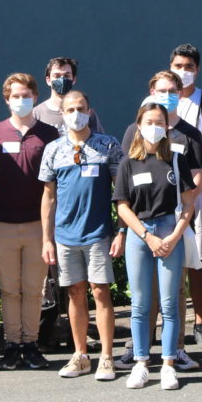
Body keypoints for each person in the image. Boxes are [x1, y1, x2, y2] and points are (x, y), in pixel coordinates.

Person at [116, 71, 202, 371]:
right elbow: (123, 204)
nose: (154, 127)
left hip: (172, 231)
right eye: (149, 123)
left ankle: (171, 358)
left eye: (160, 124)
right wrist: (145, 235)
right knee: (141, 305)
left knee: (171, 303)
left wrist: (175, 233)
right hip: (141, 236)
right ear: (139, 126)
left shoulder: (180, 152)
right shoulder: (129, 158)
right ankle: (141, 361)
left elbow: (191, 193)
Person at [40, 89, 126, 381]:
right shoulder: (53, 149)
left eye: (81, 108)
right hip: (65, 237)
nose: (76, 114)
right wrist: (47, 238)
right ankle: (80, 355)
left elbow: (122, 193)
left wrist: (121, 231)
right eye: (70, 110)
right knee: (74, 293)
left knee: (100, 292)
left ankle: (106, 357)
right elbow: (48, 197)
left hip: (99, 234)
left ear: (90, 111)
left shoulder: (108, 145)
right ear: (62, 115)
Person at [0, 72, 61, 370]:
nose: (21, 100)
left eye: (25, 95)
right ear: (6, 99)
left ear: (35, 96)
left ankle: (31, 343)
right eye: (15, 95)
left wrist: (50, 231)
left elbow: (54, 186)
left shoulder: (49, 133)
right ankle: (12, 343)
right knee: (9, 289)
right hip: (2, 222)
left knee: (34, 288)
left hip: (37, 225)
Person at [170, 43, 202, 351]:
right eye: (178, 65)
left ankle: (200, 324)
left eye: (189, 67)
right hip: (163, 194)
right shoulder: (156, 102)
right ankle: (166, 324)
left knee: (199, 261)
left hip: (199, 190)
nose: (183, 72)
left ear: (197, 70)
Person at [33, 56, 104, 133]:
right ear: (48, 80)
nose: (62, 79)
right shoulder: (37, 114)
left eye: (66, 76)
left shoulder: (86, 113)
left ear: (74, 80)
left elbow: (100, 141)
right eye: (57, 76)